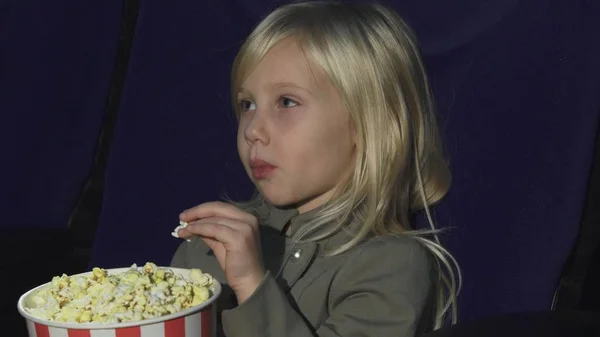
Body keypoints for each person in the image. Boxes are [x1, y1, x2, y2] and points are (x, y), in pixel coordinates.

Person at [170, 1, 460, 336]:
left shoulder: (391, 265)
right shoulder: (210, 245)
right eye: (247, 104)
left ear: (368, 123)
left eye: (287, 102)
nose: (252, 130)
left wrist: (251, 285)